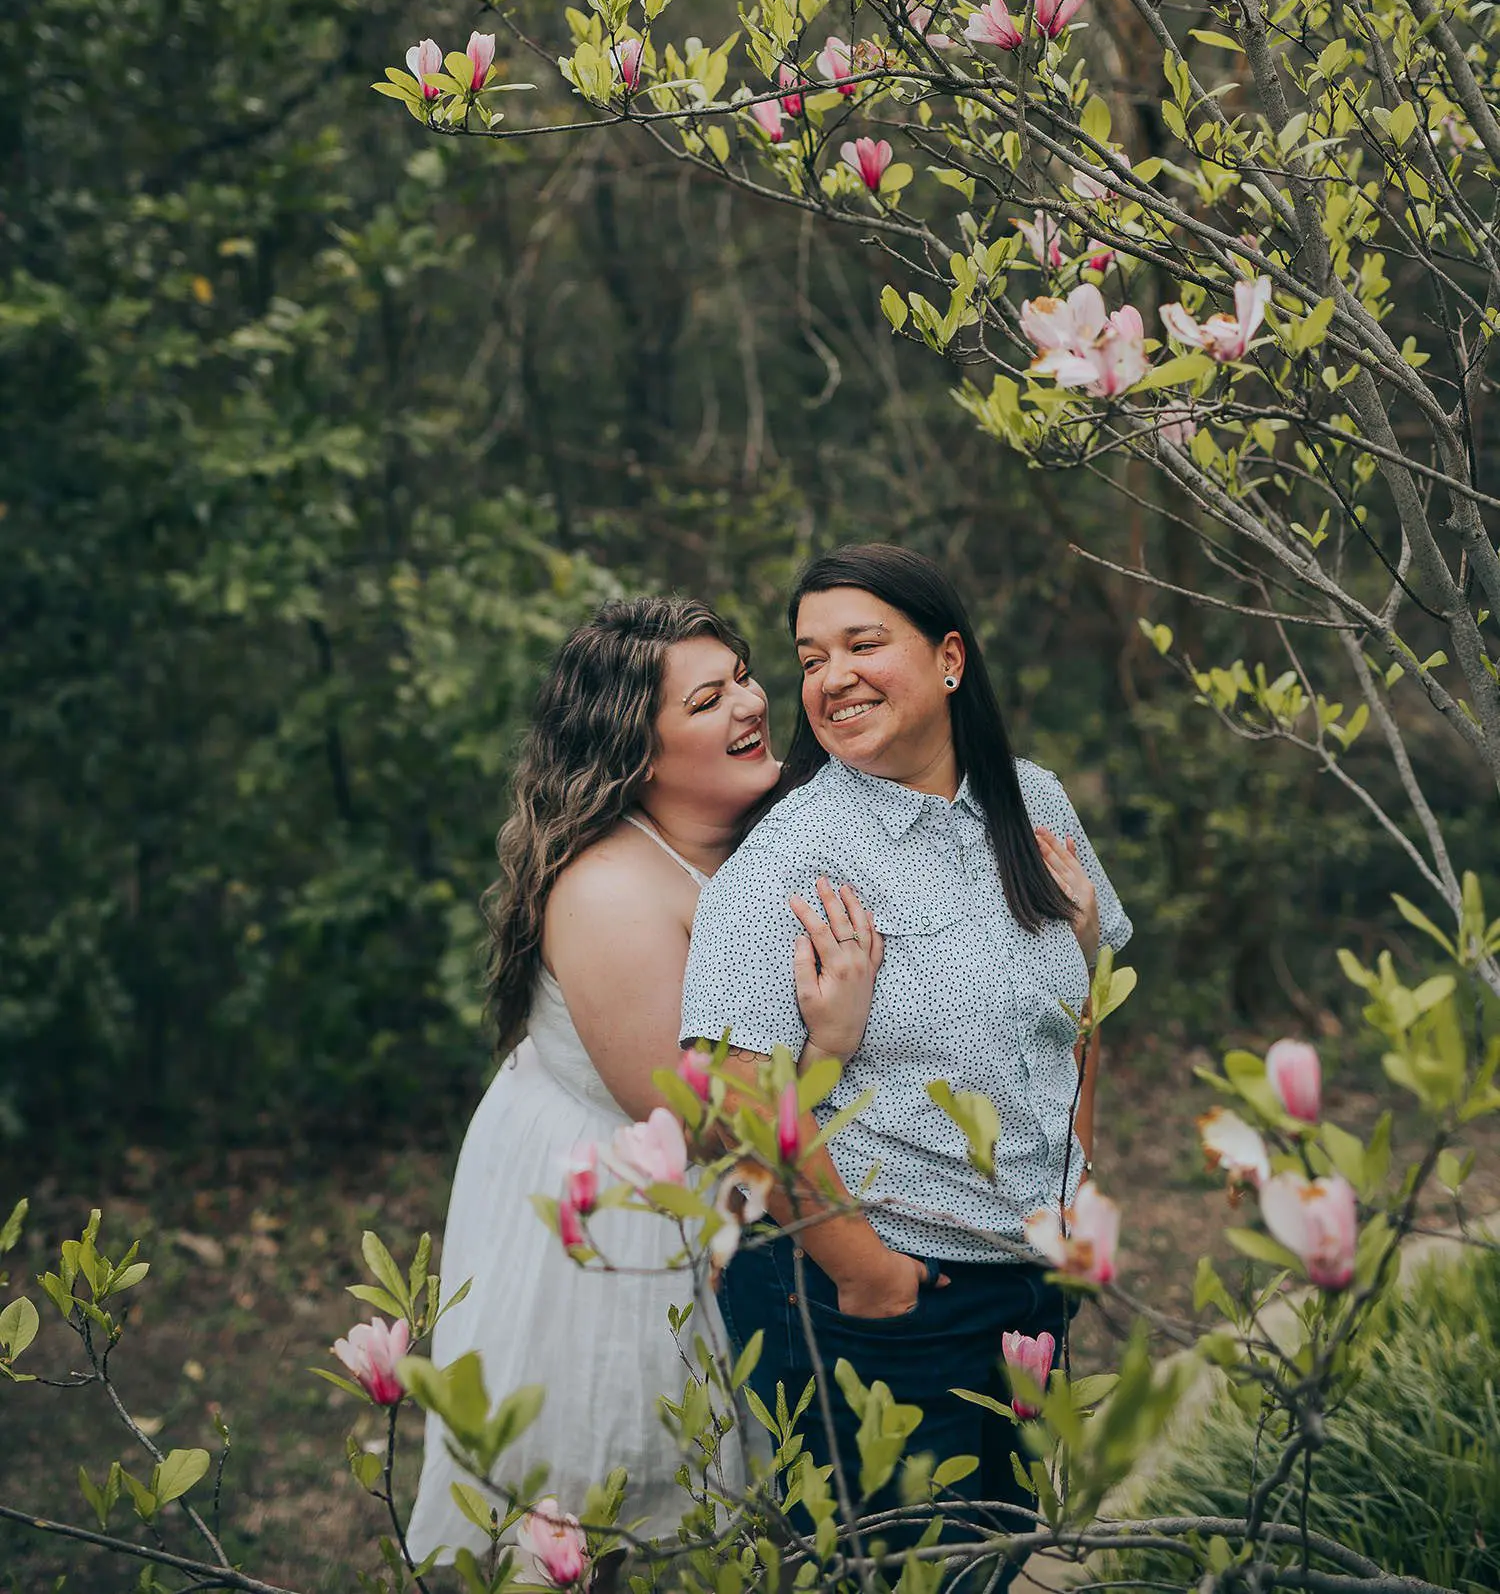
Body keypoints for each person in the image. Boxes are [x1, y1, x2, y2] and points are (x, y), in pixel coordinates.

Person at [407, 595, 883, 1566]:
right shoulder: (611, 891)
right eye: (709, 700)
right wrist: (832, 1042)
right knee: (622, 1510)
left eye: (744, 675)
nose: (752, 703)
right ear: (639, 752)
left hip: (728, 1199)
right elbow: (696, 1121)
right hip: (618, 1211)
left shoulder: (753, 842)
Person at [679, 544, 1131, 1558]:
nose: (831, 676)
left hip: (1027, 1277)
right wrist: (867, 1273)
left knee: (1007, 1552)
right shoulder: (791, 860)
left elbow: (1087, 1005)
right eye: (809, 656)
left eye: (862, 644)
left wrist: (1076, 1175)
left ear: (952, 660)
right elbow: (737, 1102)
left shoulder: (1036, 802)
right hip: (878, 1293)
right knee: (894, 1574)